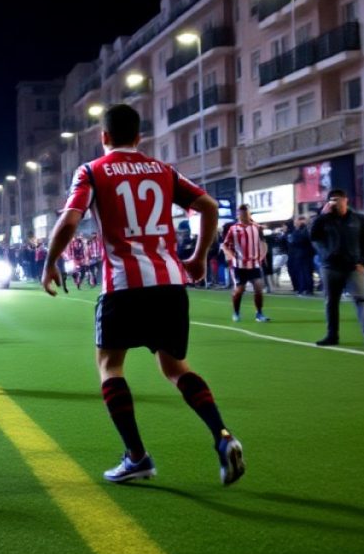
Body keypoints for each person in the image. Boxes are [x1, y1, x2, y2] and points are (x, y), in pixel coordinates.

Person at [41, 103, 244, 486]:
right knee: (175, 368)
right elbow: (208, 205)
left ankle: (137, 457)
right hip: (169, 283)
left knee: (110, 367)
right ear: (139, 137)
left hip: (123, 286)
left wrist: (51, 261)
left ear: (104, 137)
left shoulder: (91, 171)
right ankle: (223, 436)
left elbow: (70, 219)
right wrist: (199, 255)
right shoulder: (163, 171)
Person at [310, 189, 364, 350]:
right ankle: (332, 335)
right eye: (331, 200)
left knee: (361, 299)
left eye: (337, 199)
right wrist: (321, 216)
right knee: (331, 302)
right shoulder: (325, 219)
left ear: (346, 200)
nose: (335, 202)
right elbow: (313, 236)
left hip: (353, 266)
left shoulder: (358, 219)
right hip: (330, 267)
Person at [222, 204, 270, 323]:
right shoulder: (233, 228)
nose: (244, 215)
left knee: (258, 288)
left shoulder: (257, 227)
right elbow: (225, 245)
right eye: (242, 213)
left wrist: (263, 254)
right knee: (240, 290)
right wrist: (231, 255)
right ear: (238, 214)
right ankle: (236, 312)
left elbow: (263, 242)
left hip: (254, 264)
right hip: (240, 265)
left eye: (246, 213)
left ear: (250, 213)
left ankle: (259, 313)